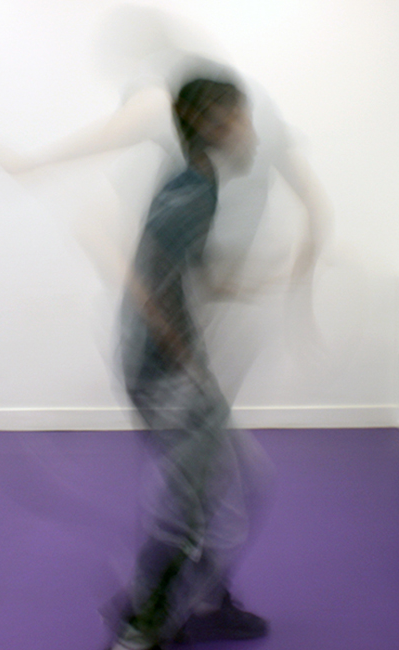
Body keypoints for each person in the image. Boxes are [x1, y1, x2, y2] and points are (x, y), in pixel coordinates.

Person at [112, 74, 274, 650]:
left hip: (171, 368)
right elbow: (149, 291)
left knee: (227, 488)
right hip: (165, 374)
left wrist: (256, 280)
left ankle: (201, 599)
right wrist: (188, 366)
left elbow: (190, 270)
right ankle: (141, 625)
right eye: (239, 116)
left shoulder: (199, 182)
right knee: (195, 504)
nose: (250, 130)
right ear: (211, 124)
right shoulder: (189, 194)